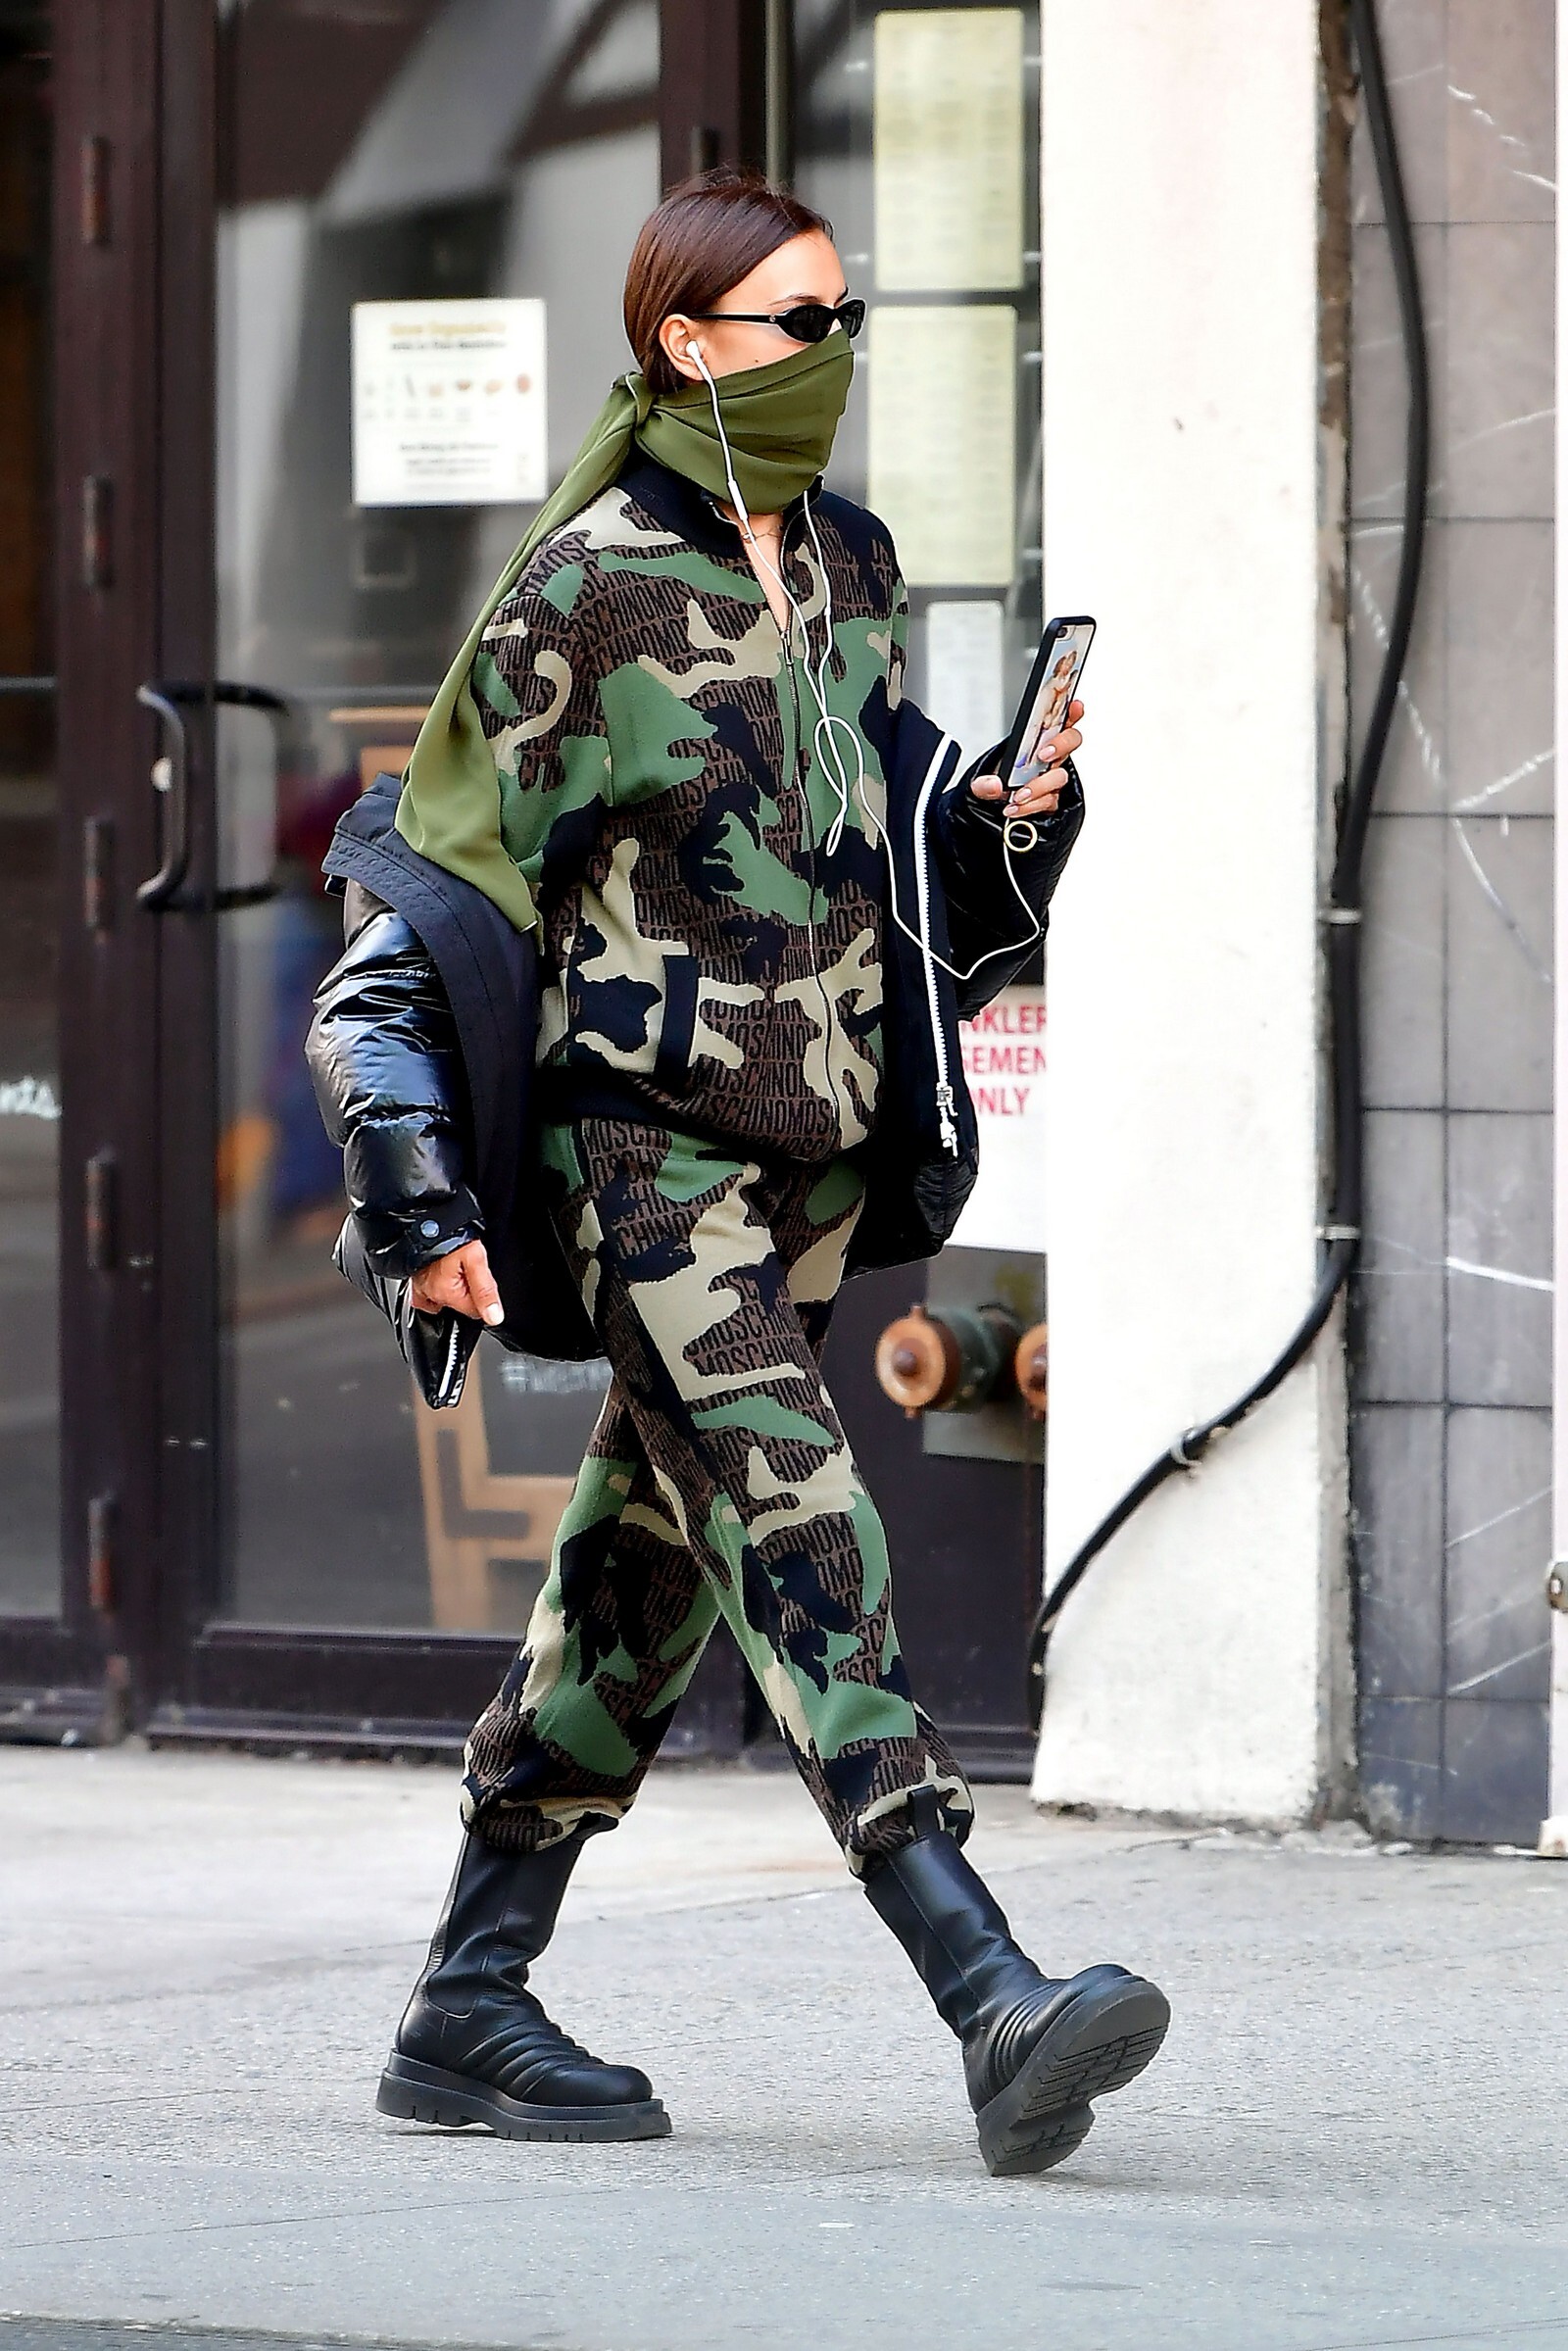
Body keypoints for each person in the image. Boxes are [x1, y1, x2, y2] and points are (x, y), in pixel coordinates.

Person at [307, 169, 1168, 2179]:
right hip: (642, 1163)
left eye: (845, 317)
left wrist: (1006, 815)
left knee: (641, 1573)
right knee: (795, 1517)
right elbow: (421, 907)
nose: (831, 354)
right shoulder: (586, 589)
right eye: (797, 322)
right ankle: (986, 1989)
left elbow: (882, 857)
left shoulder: (850, 562)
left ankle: (466, 2004)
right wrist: (416, 1197)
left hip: (808, 1171)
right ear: (685, 343)